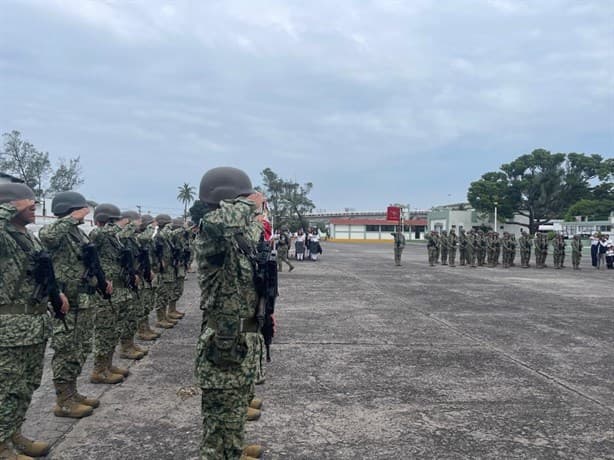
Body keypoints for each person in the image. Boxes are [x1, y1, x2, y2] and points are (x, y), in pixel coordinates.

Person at [194, 166, 263, 460]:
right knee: (220, 410)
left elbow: (251, 231)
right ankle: (219, 453)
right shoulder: (212, 231)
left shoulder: (234, 236)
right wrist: (251, 202)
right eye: (243, 199)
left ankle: (231, 449)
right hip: (223, 340)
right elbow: (226, 223)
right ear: (227, 201)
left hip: (239, 335)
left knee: (234, 406)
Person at [0, 183, 69, 459]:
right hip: (10, 326)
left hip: (34, 324)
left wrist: (58, 292)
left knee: (27, 385)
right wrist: (7, 205)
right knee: (7, 387)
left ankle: (13, 433)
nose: (33, 204)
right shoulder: (4, 236)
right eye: (24, 200)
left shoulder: (28, 236)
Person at [40, 191, 111, 419]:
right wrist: (70, 217)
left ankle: (72, 392)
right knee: (66, 350)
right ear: (69, 210)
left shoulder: (78, 235)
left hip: (84, 299)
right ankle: (63, 400)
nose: (85, 212)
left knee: (81, 349)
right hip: (66, 303)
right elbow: (48, 236)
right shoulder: (57, 232)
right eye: (80, 208)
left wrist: (101, 281)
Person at [89, 203, 132, 384]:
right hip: (104, 292)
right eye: (113, 221)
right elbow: (95, 234)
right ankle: (99, 369)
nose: (118, 225)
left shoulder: (114, 239)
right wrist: (113, 225)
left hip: (117, 290)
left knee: (114, 330)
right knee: (104, 330)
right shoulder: (98, 235)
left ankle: (107, 364)